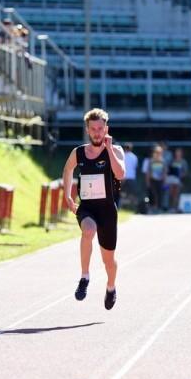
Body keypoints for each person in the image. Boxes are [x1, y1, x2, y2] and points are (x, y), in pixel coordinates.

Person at [62, 108, 125, 310]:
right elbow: (68, 169)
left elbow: (120, 174)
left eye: (100, 129)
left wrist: (109, 149)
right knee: (88, 230)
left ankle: (111, 287)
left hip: (107, 210)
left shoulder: (116, 151)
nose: (97, 133)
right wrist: (68, 195)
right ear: (87, 130)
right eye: (93, 129)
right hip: (87, 207)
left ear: (106, 129)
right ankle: (84, 277)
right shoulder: (79, 152)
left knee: (109, 261)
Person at [166, 148, 188, 212]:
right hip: (172, 180)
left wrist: (180, 175)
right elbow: (168, 170)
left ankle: (176, 207)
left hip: (179, 180)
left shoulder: (183, 162)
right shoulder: (172, 161)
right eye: (176, 152)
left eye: (179, 152)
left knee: (176, 193)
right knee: (171, 192)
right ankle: (171, 207)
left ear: (181, 153)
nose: (177, 154)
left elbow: (185, 172)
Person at [145, 145, 166, 213]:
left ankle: (158, 208)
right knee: (153, 194)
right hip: (152, 180)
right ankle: (152, 207)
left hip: (160, 180)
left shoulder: (163, 161)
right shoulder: (151, 161)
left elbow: (164, 171)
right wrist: (148, 181)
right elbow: (148, 172)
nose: (158, 154)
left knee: (159, 194)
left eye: (159, 152)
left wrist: (164, 180)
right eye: (156, 152)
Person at [120, 143, 138, 209]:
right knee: (132, 193)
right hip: (132, 177)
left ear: (124, 148)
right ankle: (133, 207)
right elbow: (135, 166)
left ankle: (121, 207)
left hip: (123, 177)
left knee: (122, 193)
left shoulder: (122, 156)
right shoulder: (134, 157)